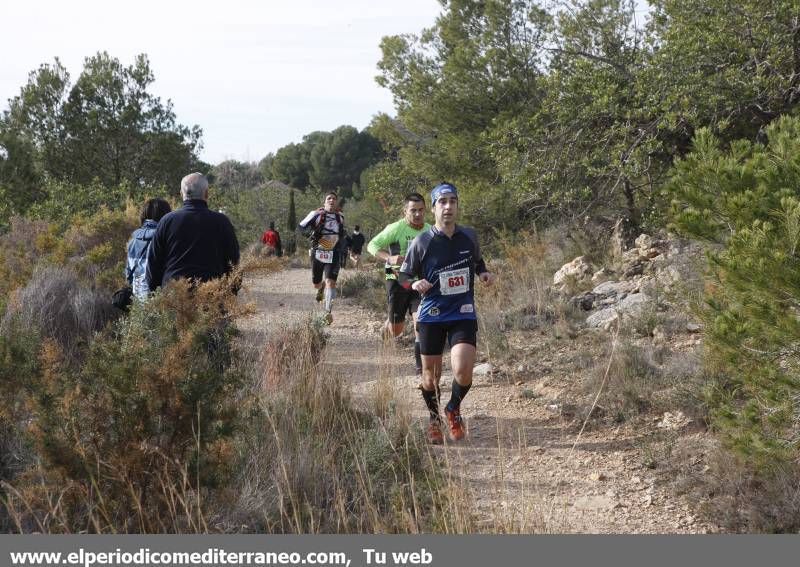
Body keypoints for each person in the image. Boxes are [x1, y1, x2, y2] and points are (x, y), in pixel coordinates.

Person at [400, 183, 494, 444]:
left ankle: (453, 408)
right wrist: (414, 283)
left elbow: (477, 261)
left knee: (463, 371)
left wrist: (483, 272)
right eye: (442, 202)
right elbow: (403, 276)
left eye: (453, 201)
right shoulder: (422, 241)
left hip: (463, 311)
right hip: (432, 314)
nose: (448, 206)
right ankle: (433, 419)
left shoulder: (469, 236)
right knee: (430, 377)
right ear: (433, 209)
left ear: (458, 205)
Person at [367, 193, 430, 376]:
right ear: (405, 211)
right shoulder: (395, 228)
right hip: (395, 278)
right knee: (397, 329)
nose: (417, 214)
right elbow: (372, 245)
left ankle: (421, 370)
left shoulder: (429, 230)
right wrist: (389, 257)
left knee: (421, 322)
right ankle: (387, 329)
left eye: (420, 210)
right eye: (413, 211)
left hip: (419, 282)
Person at [146, 173, 240, 291]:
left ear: (181, 194)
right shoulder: (222, 222)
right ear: (206, 193)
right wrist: (230, 294)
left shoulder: (167, 221)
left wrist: (158, 295)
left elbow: (153, 264)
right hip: (212, 297)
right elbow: (234, 262)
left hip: (174, 299)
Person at [298, 191, 345, 324]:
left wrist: (342, 245)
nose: (331, 200)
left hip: (333, 252)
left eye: (334, 199)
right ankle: (320, 288)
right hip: (318, 252)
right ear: (324, 202)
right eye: (329, 198)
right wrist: (310, 235)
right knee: (316, 283)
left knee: (331, 282)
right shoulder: (316, 214)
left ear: (336, 203)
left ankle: (327, 312)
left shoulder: (340, 217)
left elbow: (341, 233)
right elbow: (301, 227)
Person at [126, 198, 172, 300]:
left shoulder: (133, 241)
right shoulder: (164, 239)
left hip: (138, 299)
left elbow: (128, 275)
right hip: (160, 299)